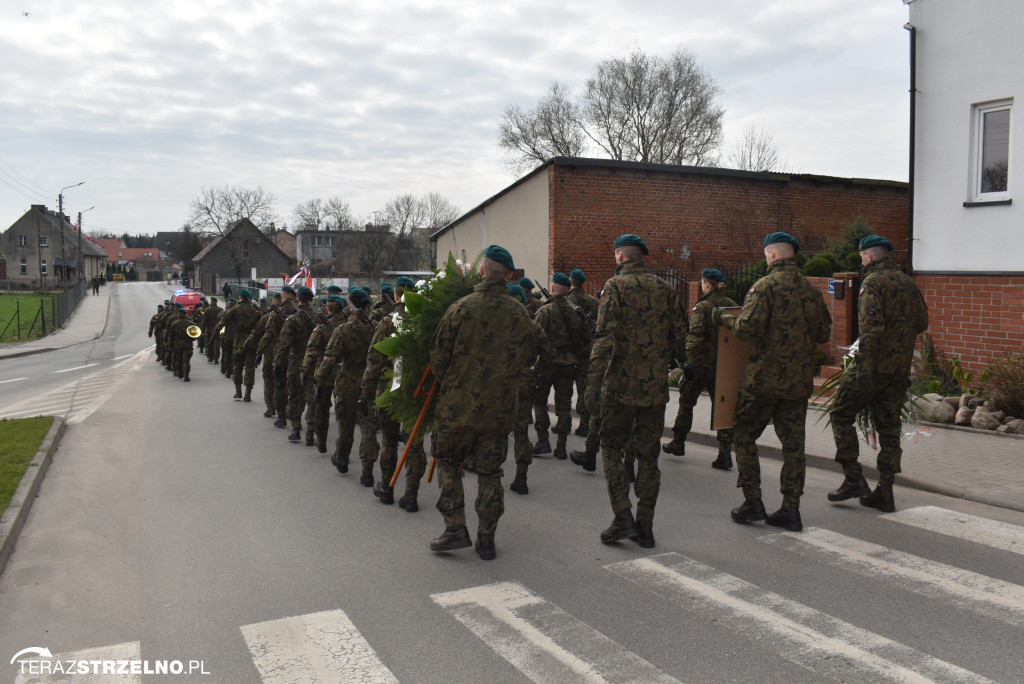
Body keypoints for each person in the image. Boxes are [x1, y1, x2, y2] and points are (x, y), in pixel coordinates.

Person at [714, 232, 832, 532]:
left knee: (743, 435)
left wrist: (724, 318)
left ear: (771, 254)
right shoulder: (811, 290)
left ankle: (753, 501)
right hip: (798, 383)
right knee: (794, 447)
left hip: (763, 382)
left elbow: (747, 328)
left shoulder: (764, 287)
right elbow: (823, 334)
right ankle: (791, 510)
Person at [428, 245, 536, 561]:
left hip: (456, 409)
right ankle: (486, 538)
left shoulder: (460, 308)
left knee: (448, 463)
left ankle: (455, 528)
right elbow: (528, 357)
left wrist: (457, 383)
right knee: (490, 473)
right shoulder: (520, 315)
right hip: (499, 411)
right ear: (510, 276)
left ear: (481, 271)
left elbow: (438, 358)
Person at [586, 234, 684, 549]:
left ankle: (622, 516)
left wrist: (592, 383)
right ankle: (646, 525)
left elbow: (604, 337)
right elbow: (680, 337)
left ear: (619, 257)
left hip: (620, 388)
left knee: (612, 448)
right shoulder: (666, 289)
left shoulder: (615, 287)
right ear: (641, 257)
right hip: (654, 388)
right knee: (649, 455)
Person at [826, 235, 929, 513]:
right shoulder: (908, 282)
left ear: (869, 256)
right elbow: (922, 322)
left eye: (862, 256)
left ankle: (853, 478)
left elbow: (870, 328)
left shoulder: (872, 283)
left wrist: (865, 368)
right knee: (889, 427)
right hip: (898, 369)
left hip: (872, 368)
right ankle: (885, 491)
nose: (861, 260)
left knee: (840, 414)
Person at [663, 268, 738, 469]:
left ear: (708, 284)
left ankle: (678, 442)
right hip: (723, 364)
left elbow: (694, 337)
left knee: (687, 401)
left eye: (703, 282)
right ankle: (725, 454)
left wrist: (689, 361)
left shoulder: (703, 306)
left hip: (702, 364)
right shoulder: (731, 305)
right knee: (722, 408)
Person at [316, 288, 376, 476]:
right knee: (368, 427)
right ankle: (367, 469)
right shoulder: (377, 327)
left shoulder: (344, 329)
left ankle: (342, 458)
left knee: (346, 425)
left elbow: (330, 357)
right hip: (371, 381)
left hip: (348, 381)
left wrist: (319, 380)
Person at [532, 272, 589, 460]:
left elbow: (535, 339)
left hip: (547, 363)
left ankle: (543, 440)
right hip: (568, 364)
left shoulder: (545, 310)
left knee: (539, 401)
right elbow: (585, 340)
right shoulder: (576, 311)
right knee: (564, 406)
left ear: (553, 288)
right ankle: (561, 446)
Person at [301, 295, 346, 450]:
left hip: (324, 372)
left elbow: (311, 351)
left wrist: (306, 371)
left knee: (321, 406)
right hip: (343, 373)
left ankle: (318, 439)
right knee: (342, 409)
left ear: (328, 308)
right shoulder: (348, 325)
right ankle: (342, 447)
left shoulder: (322, 327)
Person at [275, 286, 316, 442]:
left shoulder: (293, 318)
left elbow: (284, 344)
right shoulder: (319, 316)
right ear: (311, 299)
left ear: (298, 299)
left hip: (296, 361)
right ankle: (311, 432)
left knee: (294, 396)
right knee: (311, 398)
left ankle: (296, 429)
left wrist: (278, 363)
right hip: (313, 362)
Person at [568, 268, 600, 436]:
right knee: (584, 387)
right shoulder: (591, 300)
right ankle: (584, 423)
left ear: (571, 280)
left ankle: (563, 422)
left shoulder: (567, 301)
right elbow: (602, 319)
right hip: (586, 350)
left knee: (564, 388)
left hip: (568, 350)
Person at [220, 289, 261, 401]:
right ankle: (248, 394)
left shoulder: (235, 309)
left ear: (241, 298)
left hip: (238, 340)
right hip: (252, 341)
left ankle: (238, 392)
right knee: (249, 367)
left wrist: (216, 335)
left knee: (237, 366)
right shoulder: (255, 310)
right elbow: (261, 325)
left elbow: (223, 321)